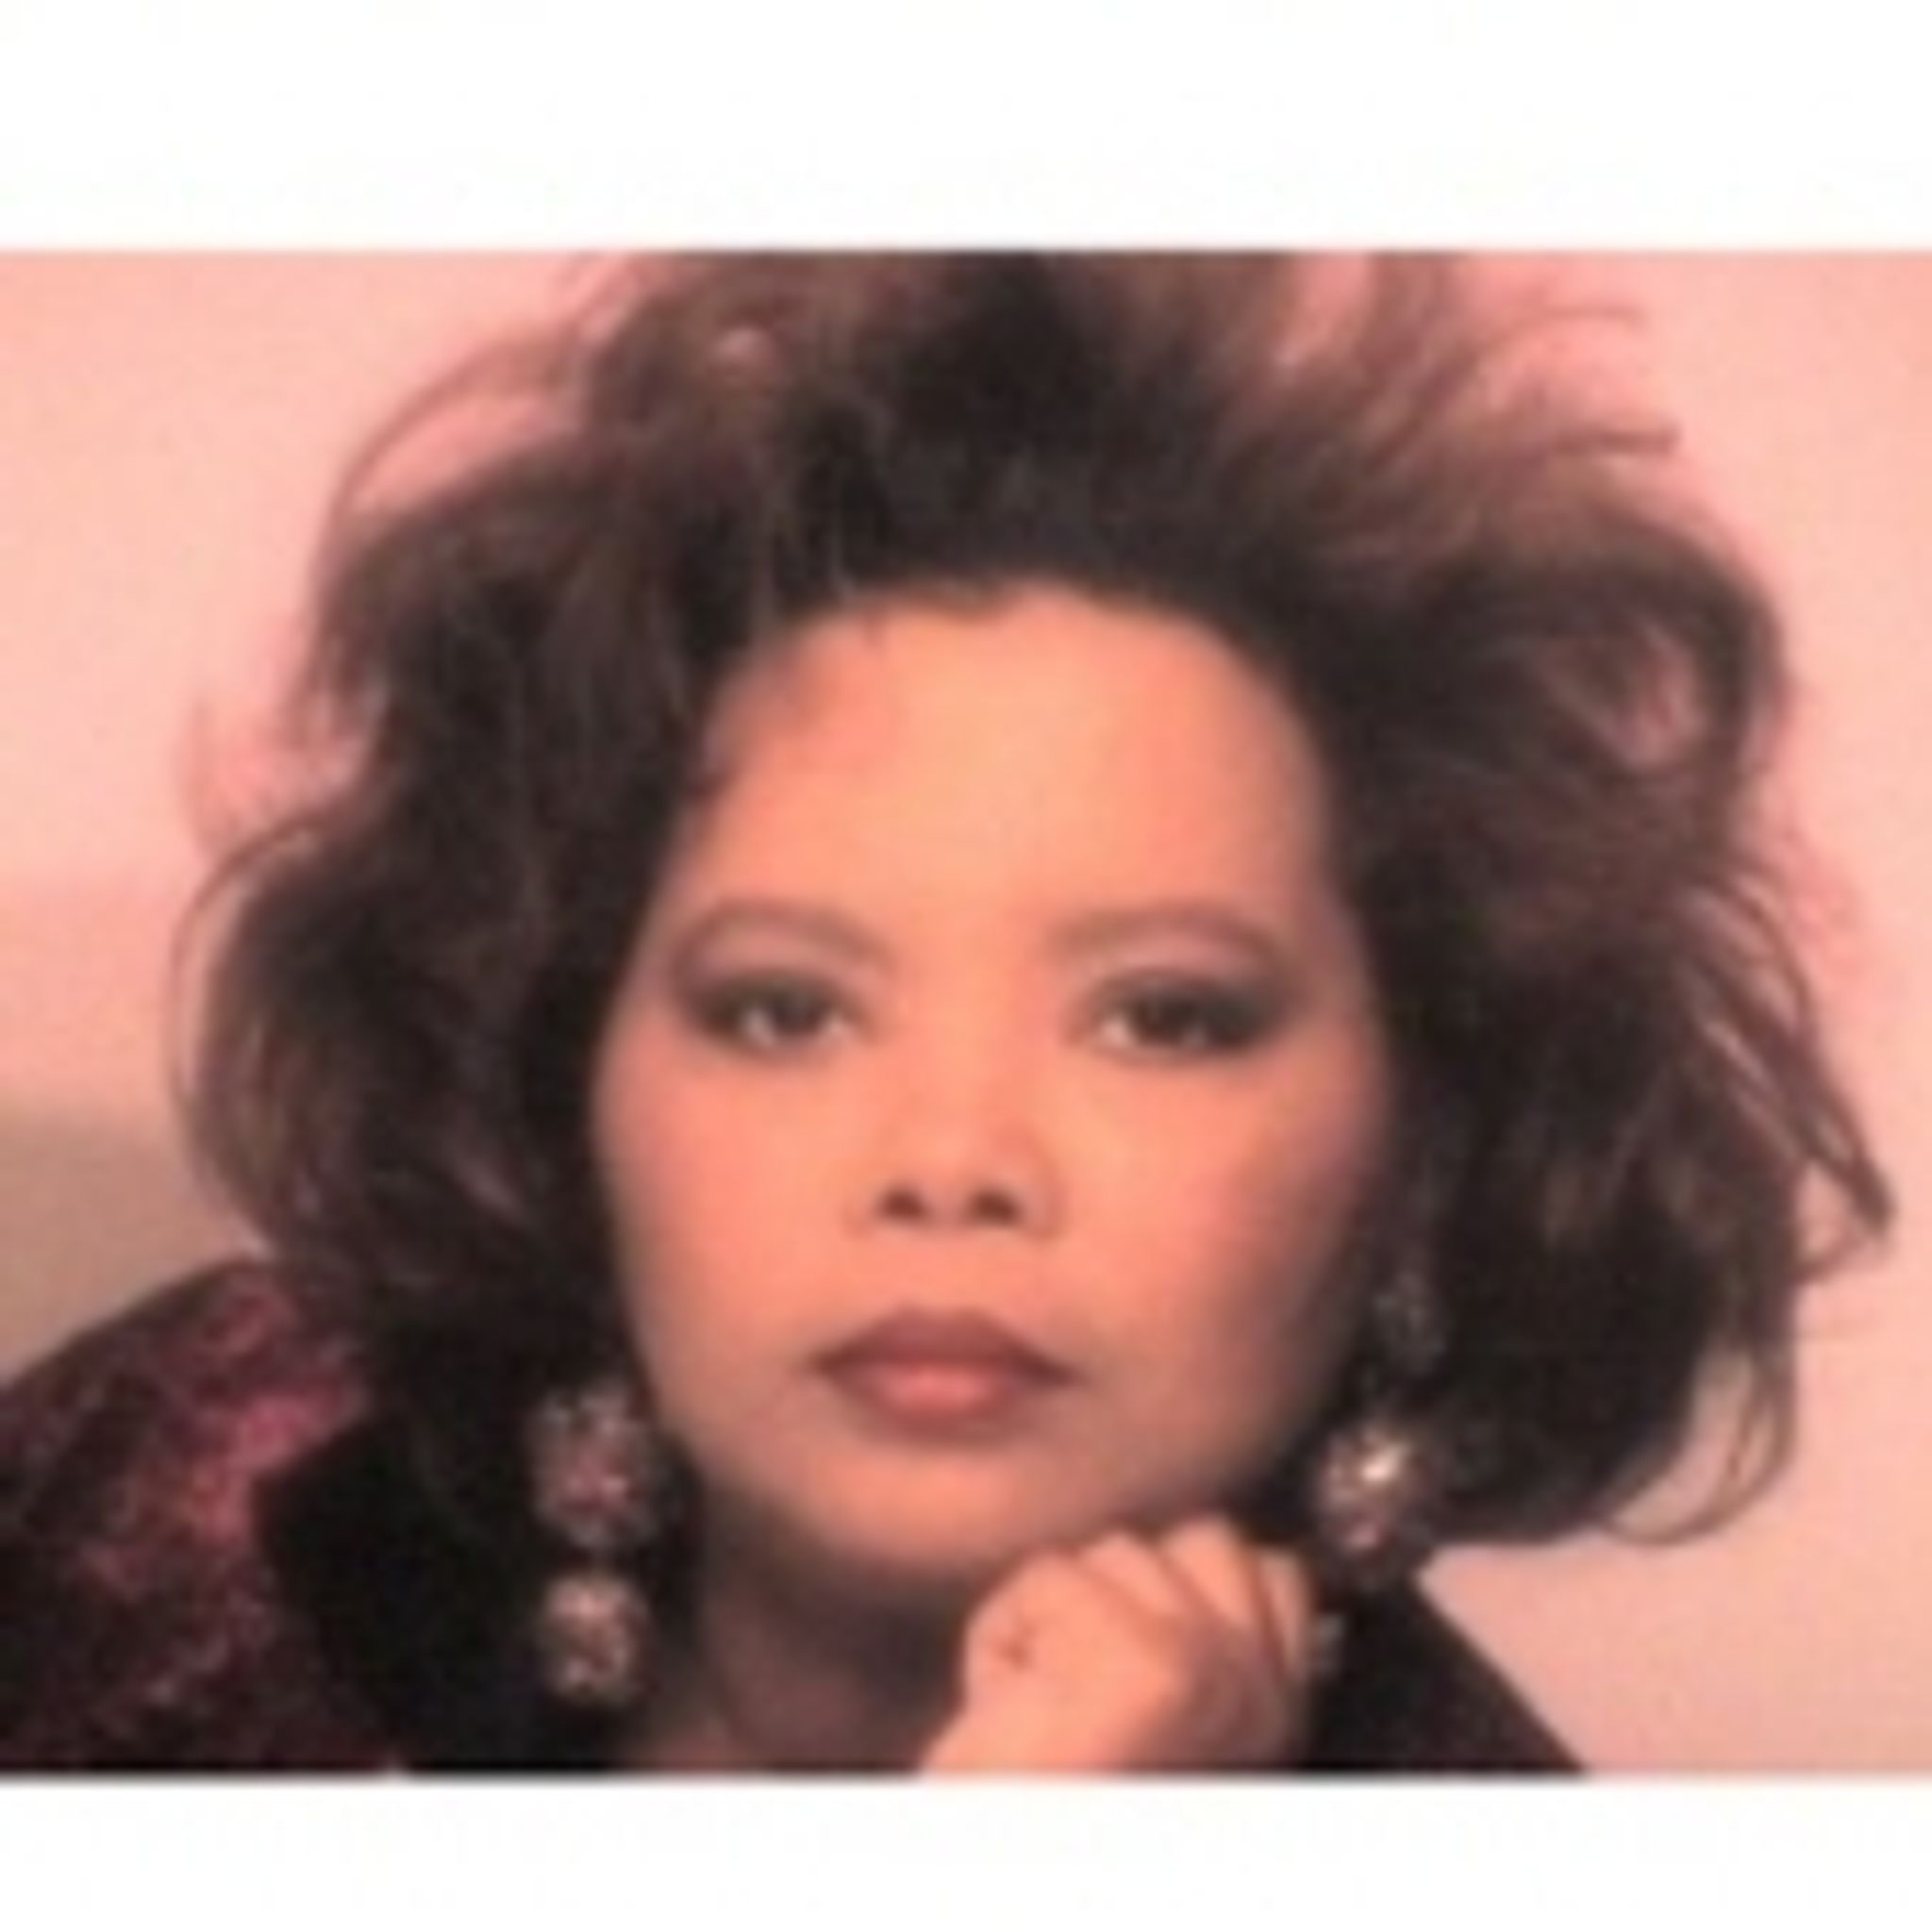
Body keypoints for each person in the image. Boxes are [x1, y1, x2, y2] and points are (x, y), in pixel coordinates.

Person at [0, 254, 1890, 1772]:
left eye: (1162, 1017)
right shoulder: (174, 1482)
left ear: (1426, 1145)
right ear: (565, 1078)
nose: (951, 1159)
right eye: (783, 1010)